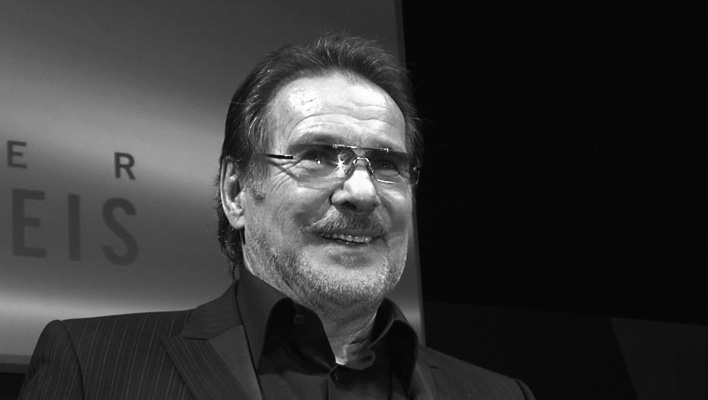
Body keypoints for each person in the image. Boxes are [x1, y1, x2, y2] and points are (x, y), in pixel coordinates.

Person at [19, 34, 535, 399]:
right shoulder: (92, 368)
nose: (361, 191)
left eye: (386, 164)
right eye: (317, 156)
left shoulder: (499, 394)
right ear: (236, 191)